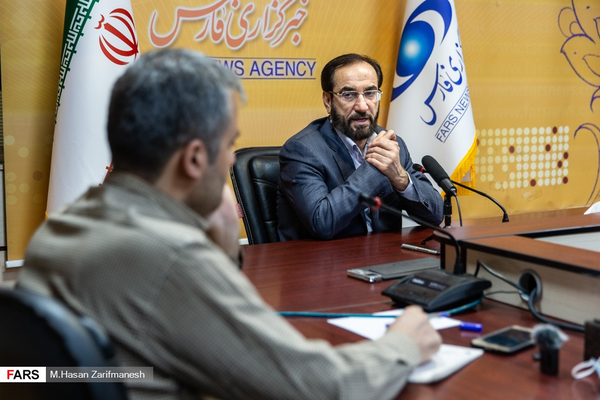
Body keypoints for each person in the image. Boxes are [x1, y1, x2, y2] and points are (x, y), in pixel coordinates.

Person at [18, 49, 441, 400]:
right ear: (195, 159)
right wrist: (403, 343)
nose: (230, 160)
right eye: (229, 144)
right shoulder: (173, 257)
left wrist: (216, 248)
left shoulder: (64, 226)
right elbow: (320, 387)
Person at [277, 53, 444, 241]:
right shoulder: (302, 150)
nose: (362, 106)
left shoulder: (392, 144)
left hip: (385, 255)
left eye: (370, 93)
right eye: (348, 95)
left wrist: (400, 177)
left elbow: (436, 215)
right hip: (323, 258)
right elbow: (321, 222)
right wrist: (374, 167)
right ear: (328, 101)